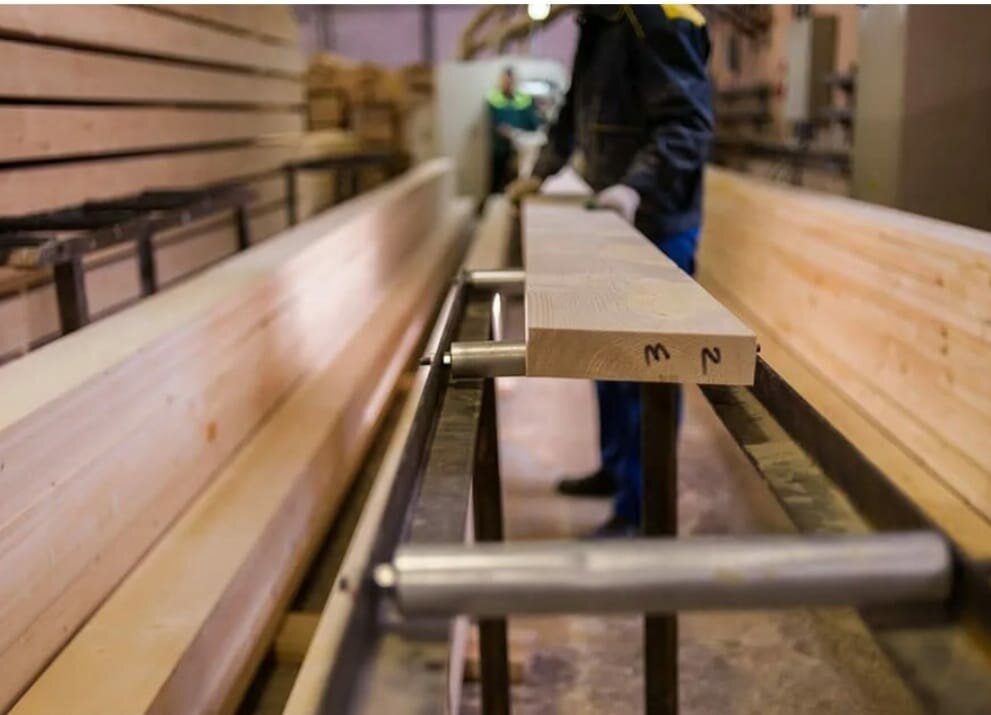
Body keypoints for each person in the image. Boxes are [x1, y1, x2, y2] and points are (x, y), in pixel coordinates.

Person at [507, 5, 713, 536]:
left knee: (648, 368)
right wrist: (541, 172)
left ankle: (643, 508)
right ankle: (617, 471)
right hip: (609, 212)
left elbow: (688, 123)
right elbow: (574, 111)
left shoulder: (663, 17)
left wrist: (635, 187)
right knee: (609, 357)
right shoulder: (600, 20)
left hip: (656, 219)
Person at [488, 67, 539, 194]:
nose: (508, 84)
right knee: (497, 178)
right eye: (505, 81)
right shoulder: (494, 98)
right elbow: (491, 122)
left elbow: (532, 123)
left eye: (510, 81)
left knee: (516, 175)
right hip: (499, 147)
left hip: (519, 146)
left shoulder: (523, 99)